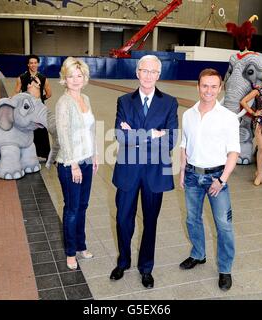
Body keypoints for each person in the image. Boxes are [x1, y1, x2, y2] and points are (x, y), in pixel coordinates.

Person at [109, 55, 178, 289]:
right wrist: (151, 135)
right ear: (137, 72)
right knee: (122, 219)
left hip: (154, 173)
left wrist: (135, 136)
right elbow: (120, 136)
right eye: (144, 71)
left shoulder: (169, 102)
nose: (148, 76)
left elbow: (170, 140)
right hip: (128, 170)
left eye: (153, 72)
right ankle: (123, 261)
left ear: (159, 75)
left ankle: (146, 267)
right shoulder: (124, 101)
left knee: (150, 222)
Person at [179, 68, 240, 291]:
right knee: (192, 219)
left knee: (223, 226)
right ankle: (198, 254)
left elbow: (233, 152)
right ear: (198, 86)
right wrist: (182, 170)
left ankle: (225, 269)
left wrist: (222, 180)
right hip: (193, 176)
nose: (209, 91)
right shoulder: (188, 114)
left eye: (214, 86)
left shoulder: (228, 118)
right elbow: (184, 144)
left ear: (220, 88)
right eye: (205, 86)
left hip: (217, 177)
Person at [55, 57, 98, 270]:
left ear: (84, 77)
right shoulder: (64, 103)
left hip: (87, 161)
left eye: (79, 75)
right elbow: (62, 135)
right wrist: (73, 164)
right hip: (69, 164)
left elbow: (91, 129)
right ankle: (70, 252)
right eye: (71, 76)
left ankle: (81, 245)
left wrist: (95, 155)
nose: (75, 80)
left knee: (83, 206)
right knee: (72, 209)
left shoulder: (86, 99)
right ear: (65, 78)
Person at [14, 54, 52, 161]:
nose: (33, 65)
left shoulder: (43, 78)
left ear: (38, 64)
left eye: (35, 63)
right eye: (31, 63)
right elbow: (16, 93)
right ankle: (25, 154)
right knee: (26, 130)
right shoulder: (21, 78)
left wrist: (40, 100)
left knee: (42, 131)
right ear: (28, 64)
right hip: (26, 110)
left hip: (39, 109)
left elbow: (49, 93)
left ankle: (45, 154)